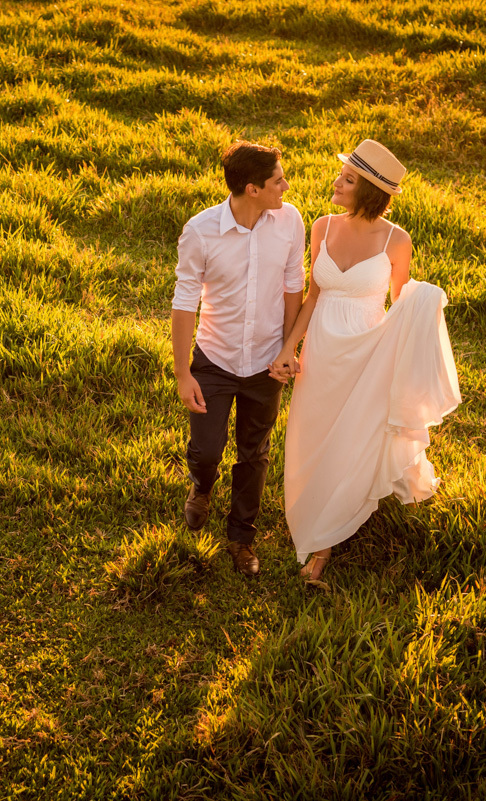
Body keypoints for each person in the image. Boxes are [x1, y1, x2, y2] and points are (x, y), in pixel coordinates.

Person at [268, 140, 461, 586]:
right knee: (311, 435)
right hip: (322, 351)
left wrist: (421, 310)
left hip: (366, 351)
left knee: (351, 440)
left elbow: (401, 306)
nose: (336, 182)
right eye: (342, 175)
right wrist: (289, 348)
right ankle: (315, 513)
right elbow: (314, 294)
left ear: (371, 191)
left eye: (348, 179)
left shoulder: (398, 240)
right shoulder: (322, 227)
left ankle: (323, 544)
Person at [171, 141, 306, 577]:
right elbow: (184, 301)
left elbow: (292, 286)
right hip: (214, 356)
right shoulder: (200, 230)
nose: (286, 185)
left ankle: (241, 538)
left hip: (267, 361)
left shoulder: (289, 221)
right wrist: (182, 372)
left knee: (255, 453)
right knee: (207, 449)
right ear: (252, 189)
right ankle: (201, 486)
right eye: (277, 181)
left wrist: (288, 350)